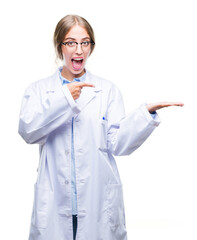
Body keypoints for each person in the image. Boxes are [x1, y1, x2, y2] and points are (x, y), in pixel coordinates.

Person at [18, 14, 183, 240]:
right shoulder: (39, 90)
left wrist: (146, 113)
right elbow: (28, 131)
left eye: (85, 42)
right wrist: (65, 98)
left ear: (91, 47)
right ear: (59, 47)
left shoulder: (107, 90)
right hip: (55, 202)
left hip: (98, 201)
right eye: (71, 42)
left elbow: (117, 144)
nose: (79, 50)